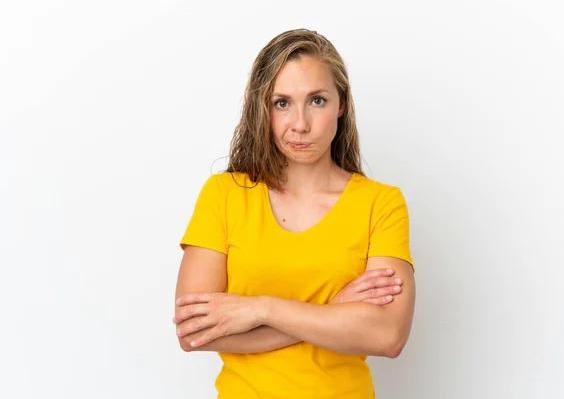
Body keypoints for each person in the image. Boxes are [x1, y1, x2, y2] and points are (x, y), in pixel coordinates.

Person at [173, 28, 416, 399]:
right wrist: (333, 309)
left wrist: (261, 310)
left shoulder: (380, 204)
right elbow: (193, 332)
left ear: (341, 104)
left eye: (316, 101)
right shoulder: (224, 196)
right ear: (262, 108)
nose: (300, 124)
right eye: (281, 103)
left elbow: (388, 336)